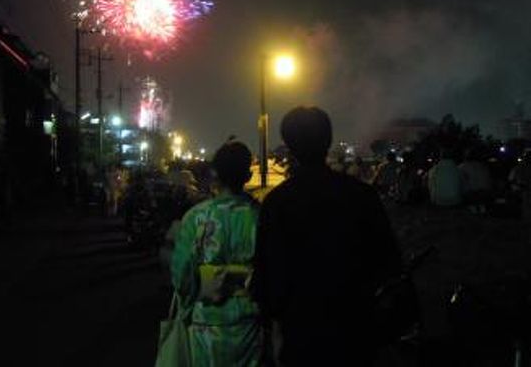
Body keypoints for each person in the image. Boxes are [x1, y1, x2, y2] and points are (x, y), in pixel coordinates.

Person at [253, 106, 401, 366]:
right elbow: (388, 262)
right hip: (356, 329)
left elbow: (266, 278)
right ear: (329, 141)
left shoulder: (277, 203)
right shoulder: (361, 195)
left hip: (301, 333)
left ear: (288, 145)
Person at [171, 141, 262, 366]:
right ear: (248, 176)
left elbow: (182, 276)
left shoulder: (196, 217)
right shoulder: (261, 217)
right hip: (249, 324)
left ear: (214, 175)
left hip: (206, 323)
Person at [459, 148, 493, 212]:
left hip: (473, 194)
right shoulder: (483, 166)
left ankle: (473, 208)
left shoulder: (463, 166)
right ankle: (481, 208)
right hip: (486, 193)